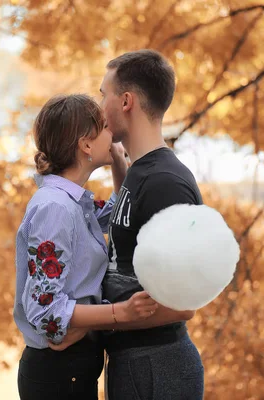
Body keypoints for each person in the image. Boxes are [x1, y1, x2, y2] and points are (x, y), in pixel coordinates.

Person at [13, 94, 159, 400]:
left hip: (73, 368)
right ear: (86, 145)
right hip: (57, 376)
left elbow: (119, 214)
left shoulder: (75, 202)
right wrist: (120, 312)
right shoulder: (55, 209)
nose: (113, 133)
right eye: (105, 127)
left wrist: (119, 160)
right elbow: (45, 312)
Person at [99, 49, 206, 399]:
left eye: (104, 95)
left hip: (158, 367)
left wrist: (107, 319)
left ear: (126, 101)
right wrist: (117, 162)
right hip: (135, 362)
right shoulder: (141, 173)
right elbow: (131, 229)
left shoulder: (165, 183)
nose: (101, 107)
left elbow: (183, 303)